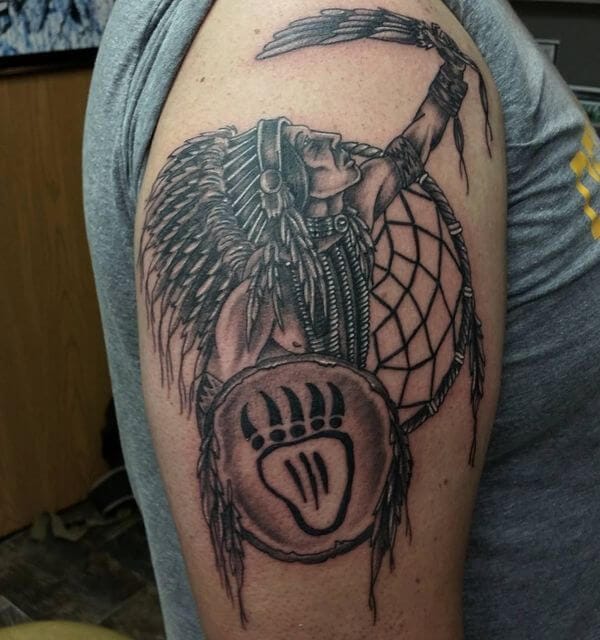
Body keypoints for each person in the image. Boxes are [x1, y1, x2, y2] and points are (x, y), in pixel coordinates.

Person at [83, 1, 600, 639]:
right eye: (309, 147)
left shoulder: (351, 211)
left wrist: (447, 81)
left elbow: (411, 150)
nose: (328, 137)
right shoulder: (259, 300)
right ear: (285, 190)